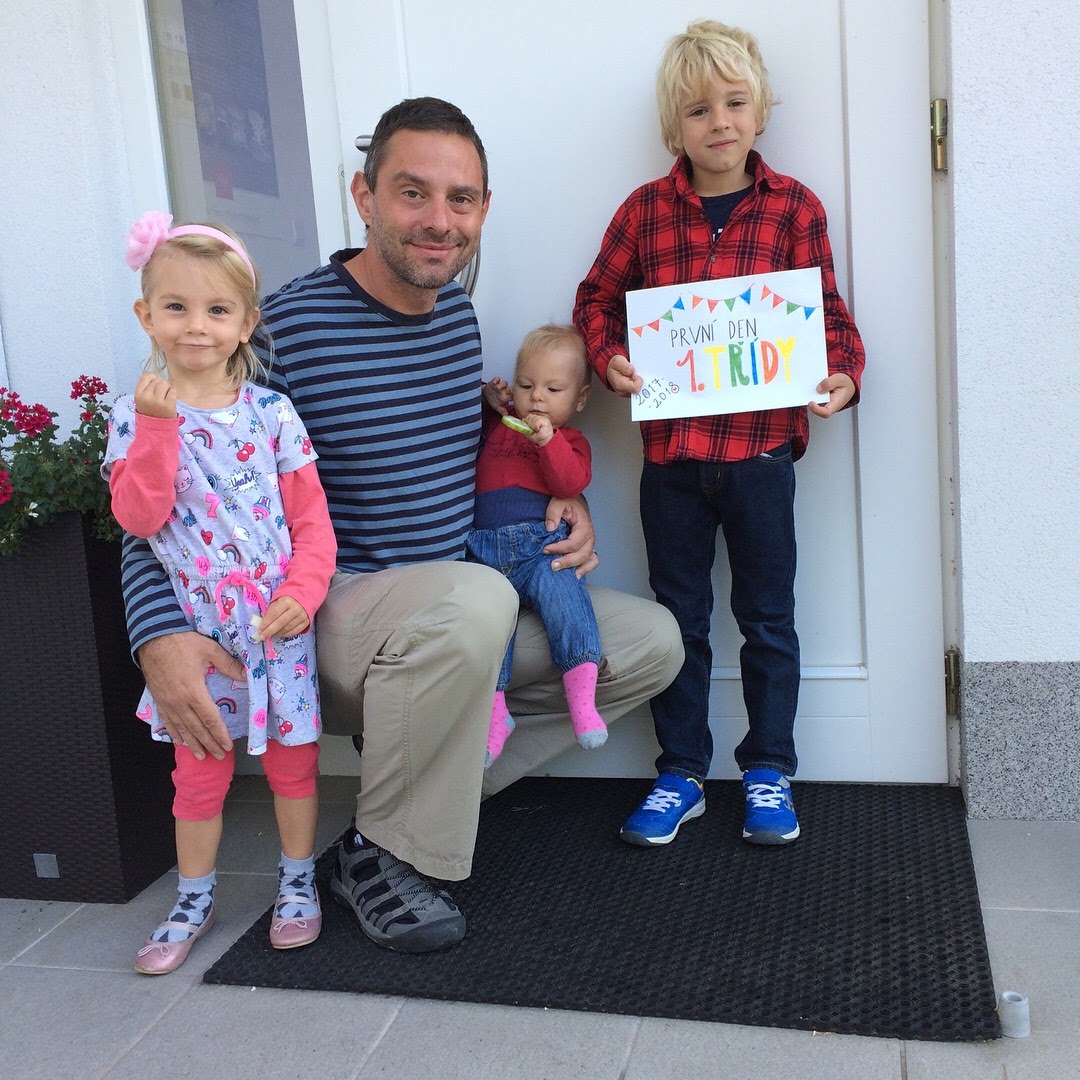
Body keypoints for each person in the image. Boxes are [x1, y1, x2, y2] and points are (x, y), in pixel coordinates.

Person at [121, 97, 684, 955]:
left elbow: (469, 447)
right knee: (476, 600)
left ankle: (381, 824)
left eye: (461, 199)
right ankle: (394, 854)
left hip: (456, 613)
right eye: (412, 192)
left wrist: (558, 497)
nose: (438, 220)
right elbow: (167, 488)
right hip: (321, 618)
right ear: (365, 195)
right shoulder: (283, 329)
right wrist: (156, 635)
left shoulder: (457, 320)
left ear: (484, 210)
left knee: (648, 643)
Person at [574, 21, 865, 847]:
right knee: (679, 621)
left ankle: (769, 768)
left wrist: (844, 375)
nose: (720, 123)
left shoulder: (795, 208)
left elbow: (827, 315)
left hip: (762, 455)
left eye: (735, 103)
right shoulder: (644, 212)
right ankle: (682, 772)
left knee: (769, 618)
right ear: (675, 126)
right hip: (672, 461)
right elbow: (595, 300)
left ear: (761, 110)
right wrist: (610, 357)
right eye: (698, 110)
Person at [105, 214, 336, 974]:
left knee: (294, 764)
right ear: (146, 315)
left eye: (216, 309)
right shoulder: (134, 417)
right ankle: (193, 898)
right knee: (199, 769)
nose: (196, 326)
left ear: (246, 321)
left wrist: (304, 590)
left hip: (276, 623)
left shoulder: (272, 414)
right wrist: (157, 429)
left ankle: (297, 882)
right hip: (197, 627)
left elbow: (312, 523)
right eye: (176, 307)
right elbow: (139, 518)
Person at [467, 324, 607, 768]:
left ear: (580, 399)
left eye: (553, 389)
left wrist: (548, 441)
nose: (537, 399)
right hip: (484, 552)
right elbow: (467, 426)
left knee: (566, 597)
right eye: (526, 386)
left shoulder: (572, 442)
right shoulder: (499, 426)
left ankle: (582, 702)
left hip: (541, 549)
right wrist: (489, 398)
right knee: (487, 626)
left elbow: (569, 483)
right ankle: (495, 717)